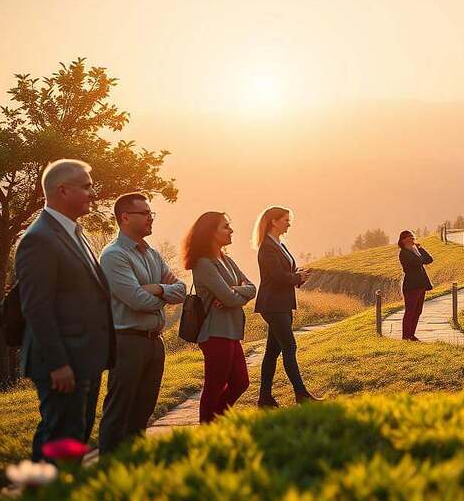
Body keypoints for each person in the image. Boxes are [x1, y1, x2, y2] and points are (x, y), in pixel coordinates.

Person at [15, 159, 114, 461]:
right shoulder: (39, 239)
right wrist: (58, 364)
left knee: (75, 437)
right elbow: (37, 309)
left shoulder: (76, 232)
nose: (92, 192)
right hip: (62, 363)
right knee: (60, 439)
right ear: (62, 190)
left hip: (85, 358)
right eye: (85, 187)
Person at [98, 193, 186, 454]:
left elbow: (180, 290)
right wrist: (163, 294)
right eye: (145, 213)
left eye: (151, 214)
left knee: (143, 411)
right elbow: (136, 300)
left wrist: (157, 288)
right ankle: (109, 472)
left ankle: (133, 468)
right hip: (127, 342)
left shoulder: (152, 254)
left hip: (154, 343)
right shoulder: (114, 256)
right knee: (119, 410)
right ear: (125, 218)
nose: (150, 218)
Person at [183, 211, 257, 423]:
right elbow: (229, 298)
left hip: (231, 330)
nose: (231, 230)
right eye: (225, 226)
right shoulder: (204, 264)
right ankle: (208, 428)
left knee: (241, 382)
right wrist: (234, 293)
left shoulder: (227, 259)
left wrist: (234, 291)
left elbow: (252, 288)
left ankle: (215, 420)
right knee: (215, 385)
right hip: (214, 332)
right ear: (210, 233)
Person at [253, 206, 321, 407]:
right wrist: (296, 277)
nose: (289, 223)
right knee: (289, 346)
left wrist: (299, 277)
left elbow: (284, 273)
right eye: (285, 220)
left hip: (281, 303)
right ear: (274, 221)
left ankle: (264, 398)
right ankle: (301, 395)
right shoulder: (267, 246)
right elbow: (276, 276)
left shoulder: (279, 244)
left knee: (272, 352)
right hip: (273, 304)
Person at [398, 230, 433, 341]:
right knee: (410, 311)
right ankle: (405, 336)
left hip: (421, 284)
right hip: (411, 286)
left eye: (412, 238)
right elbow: (418, 262)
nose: (411, 240)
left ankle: (411, 335)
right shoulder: (404, 253)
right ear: (402, 241)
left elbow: (429, 259)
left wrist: (420, 248)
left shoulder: (415, 250)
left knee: (418, 311)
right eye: (408, 238)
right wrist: (417, 252)